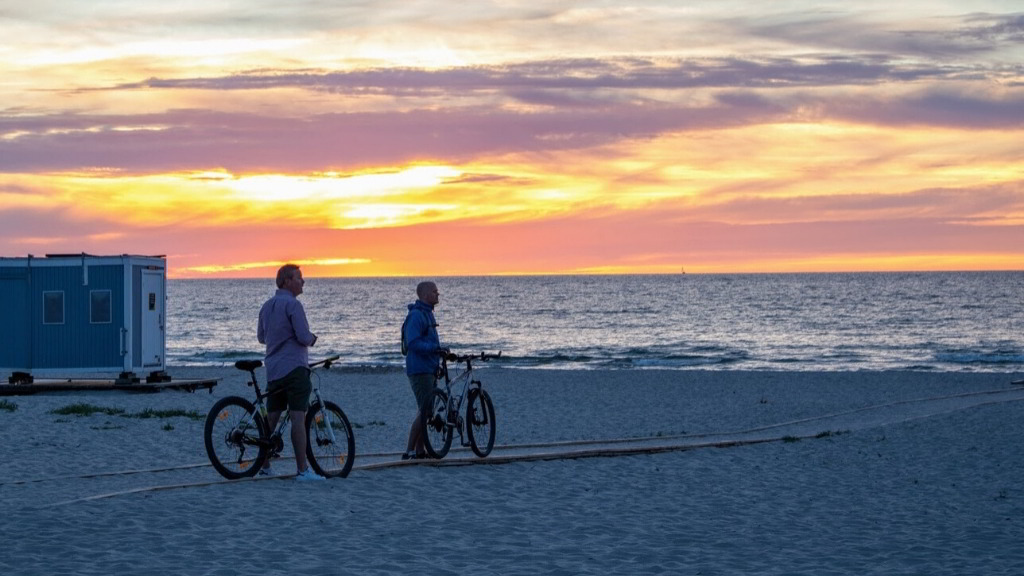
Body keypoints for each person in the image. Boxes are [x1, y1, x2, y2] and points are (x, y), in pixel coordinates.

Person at [257, 264, 324, 481]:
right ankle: (302, 470)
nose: (303, 281)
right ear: (287, 281)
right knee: (298, 418)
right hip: (294, 368)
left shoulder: (266, 306)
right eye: (299, 278)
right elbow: (303, 336)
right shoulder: (294, 305)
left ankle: (264, 466)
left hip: (274, 369)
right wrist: (313, 339)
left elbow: (261, 338)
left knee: (272, 419)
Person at [402, 281, 445, 460]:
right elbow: (412, 342)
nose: (438, 294)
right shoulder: (416, 315)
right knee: (425, 410)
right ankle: (409, 451)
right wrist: (434, 348)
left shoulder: (428, 314)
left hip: (429, 368)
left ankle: (420, 451)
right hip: (419, 370)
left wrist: (438, 357)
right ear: (426, 295)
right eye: (435, 292)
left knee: (425, 410)